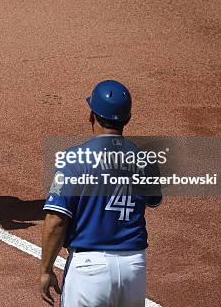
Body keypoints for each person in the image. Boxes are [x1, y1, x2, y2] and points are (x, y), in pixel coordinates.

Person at [40, 80, 162, 306]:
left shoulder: (73, 160)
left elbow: (56, 221)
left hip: (89, 269)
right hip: (133, 267)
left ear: (91, 116)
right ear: (128, 119)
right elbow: (150, 200)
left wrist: (46, 269)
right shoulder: (145, 159)